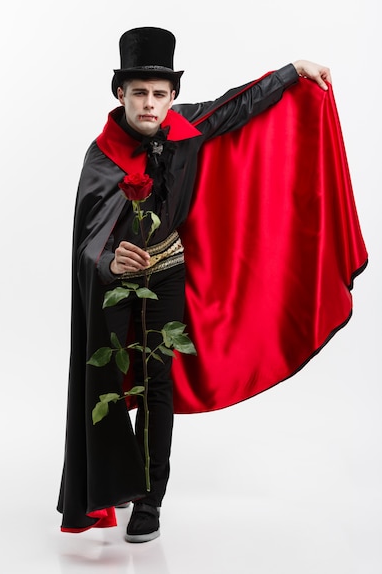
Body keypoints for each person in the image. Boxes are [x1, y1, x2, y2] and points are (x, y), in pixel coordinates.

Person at [58, 27, 366, 542]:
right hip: (116, 284)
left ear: (172, 96)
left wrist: (293, 71)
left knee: (158, 383)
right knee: (109, 380)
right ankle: (107, 487)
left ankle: (150, 500)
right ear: (120, 94)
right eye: (139, 93)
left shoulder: (188, 126)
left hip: (170, 271)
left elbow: (240, 104)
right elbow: (88, 242)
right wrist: (112, 260)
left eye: (159, 93)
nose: (150, 104)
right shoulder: (101, 156)